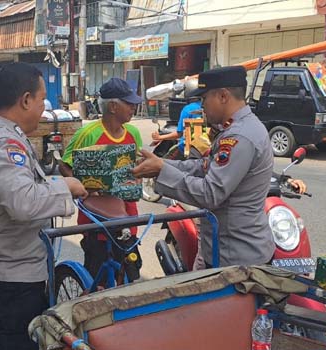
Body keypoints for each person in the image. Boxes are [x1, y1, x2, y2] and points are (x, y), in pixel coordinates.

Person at [0, 62, 88, 350]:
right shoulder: (3, 144)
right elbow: (22, 203)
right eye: (42, 99)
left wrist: (54, 183)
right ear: (25, 100)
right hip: (9, 285)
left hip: (9, 278)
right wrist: (65, 188)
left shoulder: (3, 135)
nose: (44, 108)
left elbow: (22, 188)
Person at [133, 66, 275, 268]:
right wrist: (163, 164)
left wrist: (161, 171)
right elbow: (204, 166)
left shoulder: (240, 136)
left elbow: (211, 193)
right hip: (231, 248)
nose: (202, 107)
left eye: (204, 99)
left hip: (235, 257)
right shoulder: (237, 128)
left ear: (223, 96)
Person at [59, 77, 144, 285]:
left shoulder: (133, 133)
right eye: (129, 103)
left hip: (127, 216)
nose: (134, 108)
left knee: (130, 271)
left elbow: (139, 164)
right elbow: (64, 166)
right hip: (95, 220)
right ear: (113, 106)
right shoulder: (88, 134)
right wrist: (83, 188)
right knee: (97, 278)